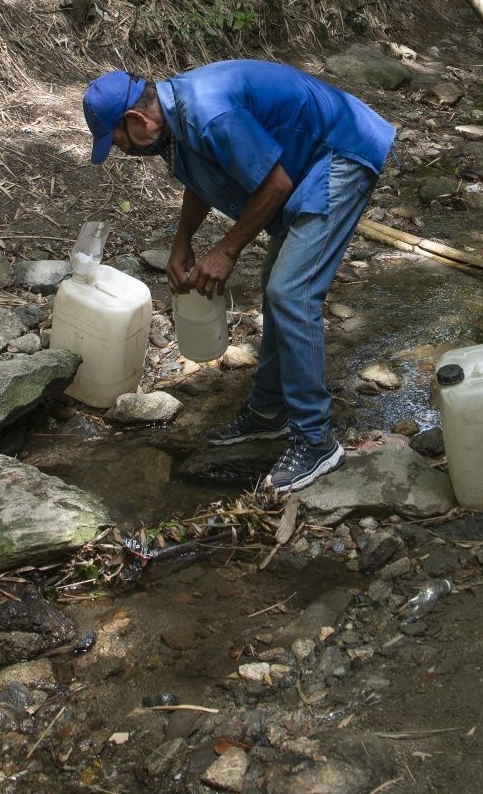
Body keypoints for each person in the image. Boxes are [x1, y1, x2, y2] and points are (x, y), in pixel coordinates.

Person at [82, 60, 395, 493]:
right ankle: (268, 411)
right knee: (278, 285)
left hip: (342, 151)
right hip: (305, 160)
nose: (123, 150)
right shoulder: (175, 122)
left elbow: (277, 185)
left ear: (136, 119)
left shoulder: (209, 112)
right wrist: (182, 240)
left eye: (118, 141)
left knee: (291, 292)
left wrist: (227, 250)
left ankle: (316, 439)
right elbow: (203, 175)